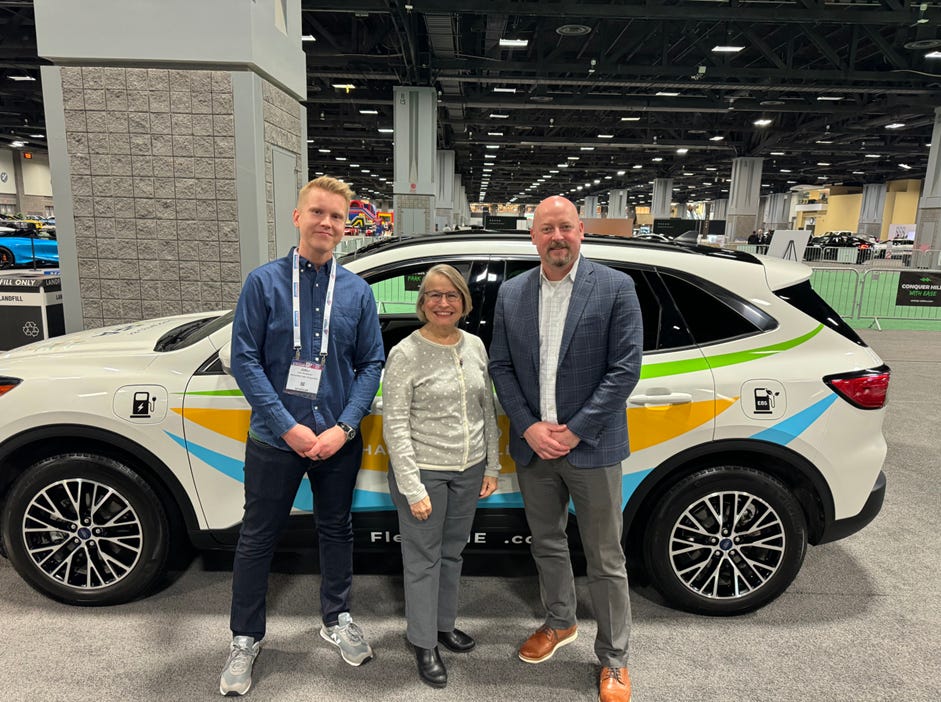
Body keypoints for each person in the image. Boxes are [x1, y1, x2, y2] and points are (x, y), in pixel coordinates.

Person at [219, 176, 385, 696]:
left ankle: (336, 619)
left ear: (345, 226)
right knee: (257, 537)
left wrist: (344, 427)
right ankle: (245, 637)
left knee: (336, 530)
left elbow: (370, 363)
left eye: (337, 217)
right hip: (275, 438)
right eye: (318, 213)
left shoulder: (356, 291)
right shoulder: (262, 283)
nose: (328, 224)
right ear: (297, 218)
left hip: (336, 440)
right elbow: (243, 358)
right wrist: (286, 425)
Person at [489, 195, 643, 702]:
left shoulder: (616, 288)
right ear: (533, 236)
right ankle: (560, 622)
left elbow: (624, 370)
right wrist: (530, 426)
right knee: (547, 543)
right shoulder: (512, 294)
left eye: (566, 228)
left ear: (582, 232)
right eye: (546, 229)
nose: (557, 237)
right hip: (535, 448)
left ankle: (614, 660)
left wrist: (574, 430)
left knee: (605, 556)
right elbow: (502, 367)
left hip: (592, 447)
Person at [382, 264, 501, 688]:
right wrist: (413, 487)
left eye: (451, 295)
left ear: (464, 302)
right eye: (434, 295)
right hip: (425, 473)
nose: (443, 303)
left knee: (452, 553)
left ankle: (444, 625)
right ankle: (423, 640)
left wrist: (491, 465)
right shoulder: (405, 353)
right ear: (422, 303)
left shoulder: (475, 346)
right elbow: (394, 424)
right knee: (422, 559)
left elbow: (486, 409)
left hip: (468, 470)